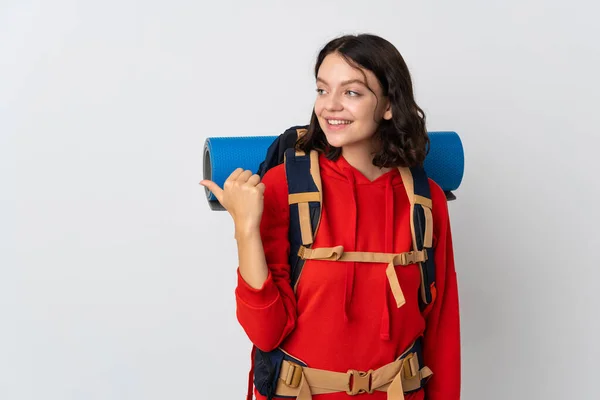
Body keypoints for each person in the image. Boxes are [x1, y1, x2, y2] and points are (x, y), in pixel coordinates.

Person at [200, 33, 460, 400]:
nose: (330, 106)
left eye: (351, 92)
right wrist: (245, 228)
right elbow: (265, 332)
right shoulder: (282, 187)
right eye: (323, 90)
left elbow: (442, 329)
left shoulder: (425, 198)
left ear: (388, 105)